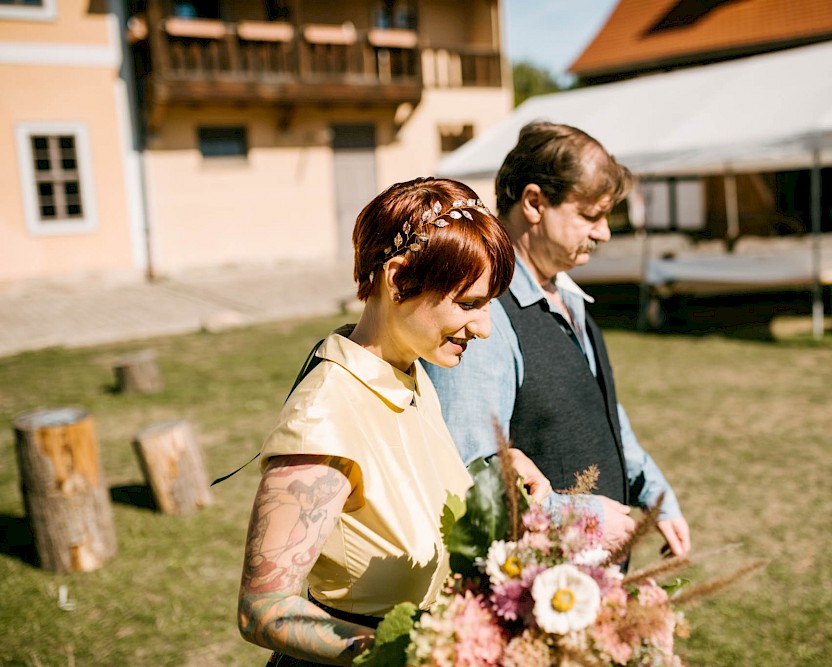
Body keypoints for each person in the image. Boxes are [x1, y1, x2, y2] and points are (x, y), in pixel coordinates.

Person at [237, 177, 551, 666]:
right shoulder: (324, 418)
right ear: (399, 277)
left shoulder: (410, 371)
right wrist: (418, 654)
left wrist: (497, 476)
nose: (485, 327)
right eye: (469, 304)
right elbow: (263, 610)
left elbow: (400, 501)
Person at [424, 121, 691, 558]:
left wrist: (655, 493)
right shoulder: (482, 313)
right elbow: (470, 472)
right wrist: (581, 517)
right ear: (534, 203)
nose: (604, 232)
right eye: (590, 215)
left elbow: (601, 410)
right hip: (527, 592)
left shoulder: (565, 291)